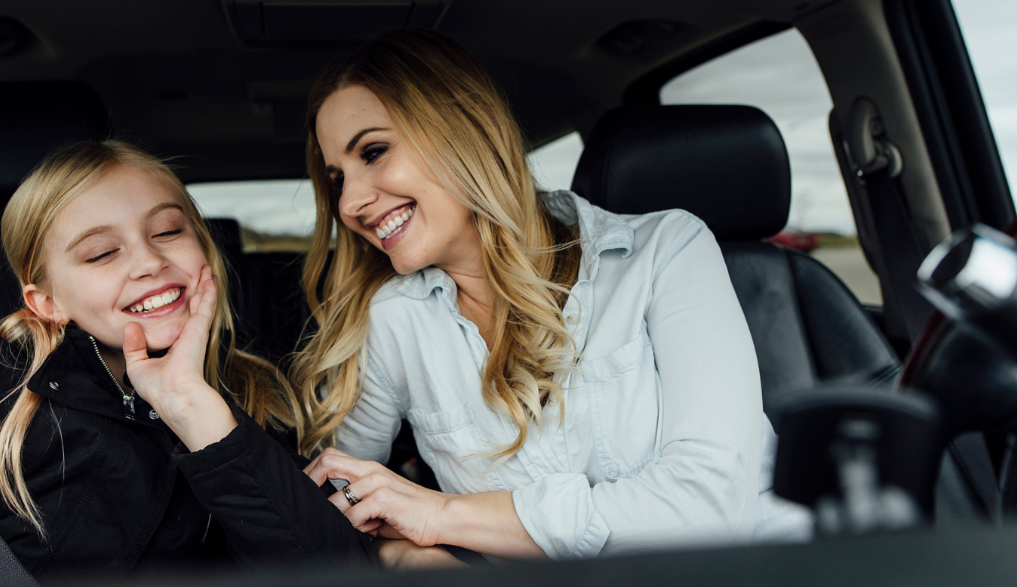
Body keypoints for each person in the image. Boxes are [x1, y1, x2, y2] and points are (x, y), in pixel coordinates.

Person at [291, 29, 806, 564]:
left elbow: (710, 508)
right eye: (336, 179)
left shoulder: (666, 253)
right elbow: (339, 500)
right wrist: (406, 555)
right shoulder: (394, 319)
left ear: (464, 131)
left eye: (373, 152)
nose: (350, 202)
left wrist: (440, 515)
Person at [0, 140, 373, 584]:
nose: (150, 261)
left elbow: (328, 570)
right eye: (102, 253)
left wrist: (194, 412)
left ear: (204, 247)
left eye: (168, 231)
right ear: (47, 302)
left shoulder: (252, 399)